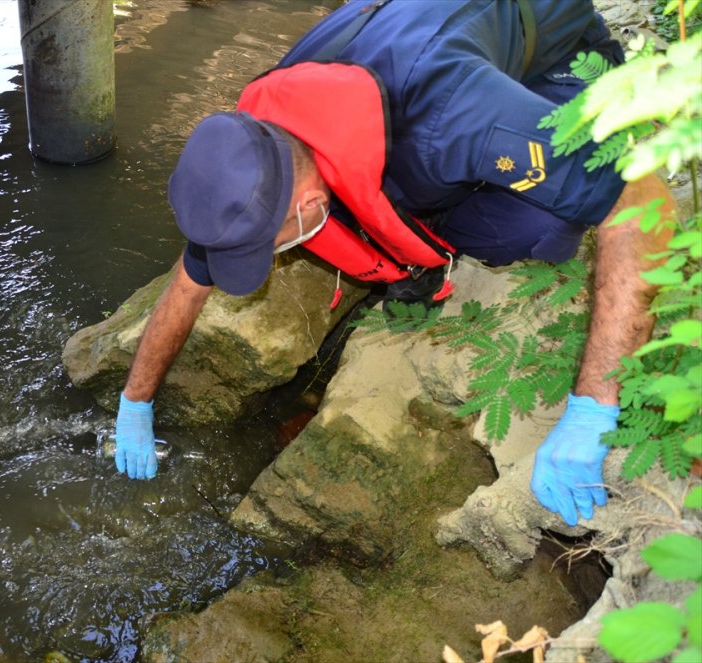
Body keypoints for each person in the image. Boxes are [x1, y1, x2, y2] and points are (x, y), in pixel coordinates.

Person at [112, 0, 677, 529]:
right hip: (436, 57)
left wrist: (593, 408)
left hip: (555, 55)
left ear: (307, 204)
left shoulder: (454, 117)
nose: (271, 257)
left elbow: (643, 198)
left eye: (269, 245)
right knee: (394, 206)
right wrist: (134, 402)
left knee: (539, 229)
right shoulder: (263, 137)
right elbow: (189, 284)